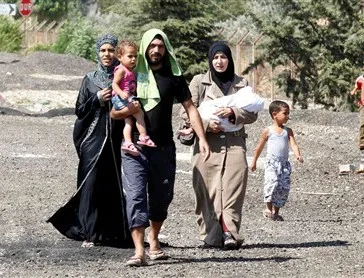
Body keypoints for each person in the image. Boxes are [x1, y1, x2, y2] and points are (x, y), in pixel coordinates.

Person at [110, 28, 210, 266]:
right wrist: (130, 110)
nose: (156, 50)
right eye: (152, 46)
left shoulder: (173, 76)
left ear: (165, 49)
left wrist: (202, 139)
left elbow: (190, 108)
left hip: (163, 148)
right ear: (144, 48)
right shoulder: (132, 75)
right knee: (135, 197)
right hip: (134, 148)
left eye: (160, 46)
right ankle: (138, 250)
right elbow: (114, 113)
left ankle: (154, 240)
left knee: (161, 198)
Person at [47, 34, 132, 248]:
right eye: (103, 50)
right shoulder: (90, 79)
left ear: (117, 53)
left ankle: (114, 231)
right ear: (97, 53)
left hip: (115, 140)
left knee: (113, 184)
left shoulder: (124, 76)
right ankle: (89, 231)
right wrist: (96, 99)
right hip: (92, 140)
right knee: (91, 183)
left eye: (111, 50)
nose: (107, 54)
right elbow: (79, 110)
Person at [186, 41, 258, 250]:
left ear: (229, 59)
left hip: (235, 143)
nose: (219, 61)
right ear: (210, 60)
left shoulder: (242, 83)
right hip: (207, 144)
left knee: (234, 188)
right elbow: (186, 111)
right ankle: (211, 234)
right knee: (206, 190)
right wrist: (207, 125)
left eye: (223, 57)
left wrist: (234, 113)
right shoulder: (199, 82)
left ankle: (230, 233)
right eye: (216, 57)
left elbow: (252, 113)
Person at [250, 100, 304, 221]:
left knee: (283, 187)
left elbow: (293, 145)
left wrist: (298, 155)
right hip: (271, 163)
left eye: (288, 113)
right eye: (285, 113)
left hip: (284, 164)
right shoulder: (268, 131)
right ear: (275, 114)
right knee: (272, 183)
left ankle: (276, 211)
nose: (287, 116)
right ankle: (268, 209)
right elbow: (259, 147)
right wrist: (254, 161)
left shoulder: (288, 131)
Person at [111, 39, 156, 156]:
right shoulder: (121, 70)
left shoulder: (130, 70)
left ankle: (128, 142)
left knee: (129, 121)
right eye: (130, 56)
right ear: (120, 57)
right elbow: (114, 84)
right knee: (138, 113)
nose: (133, 59)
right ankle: (143, 136)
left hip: (126, 98)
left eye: (135, 56)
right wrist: (121, 93)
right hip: (121, 98)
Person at [350, 74, 364, 151]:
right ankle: (362, 142)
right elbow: (357, 86)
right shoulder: (361, 79)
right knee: (363, 123)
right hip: (363, 104)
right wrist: (354, 91)